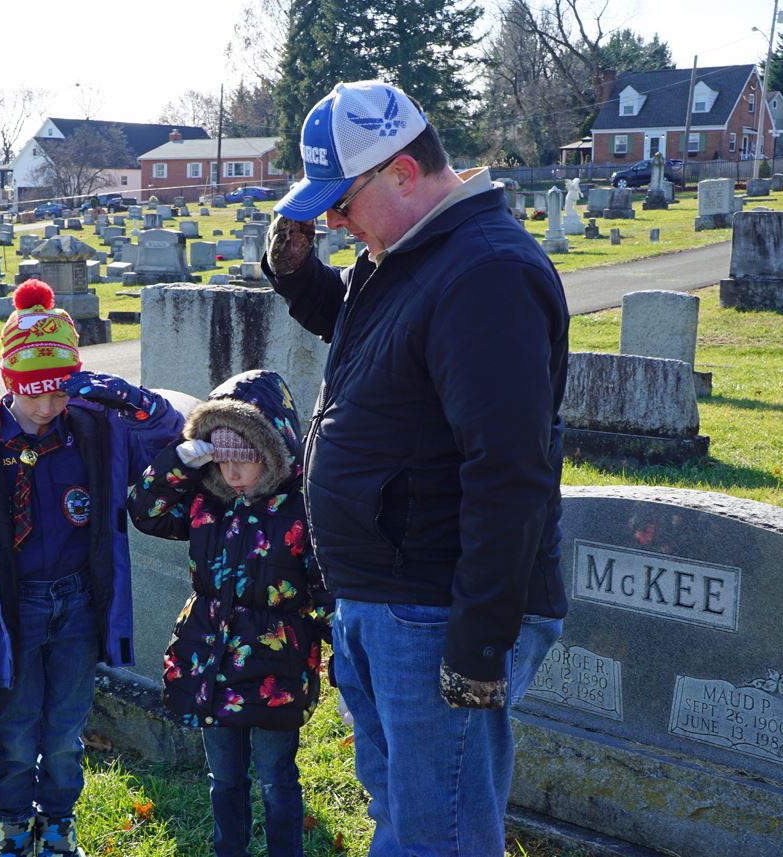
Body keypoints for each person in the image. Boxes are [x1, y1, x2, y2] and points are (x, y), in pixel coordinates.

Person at [262, 79, 570, 855]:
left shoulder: (484, 272)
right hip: (385, 596)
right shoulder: (412, 253)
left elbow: (510, 472)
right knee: (401, 817)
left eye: (340, 201)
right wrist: (300, 276)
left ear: (402, 170)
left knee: (441, 834)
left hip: (436, 609)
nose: (329, 220)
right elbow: (380, 344)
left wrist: (478, 645)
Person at [0, 279, 183, 857]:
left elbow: (167, 435)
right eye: (33, 393)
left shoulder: (95, 428)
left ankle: (58, 827)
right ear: (10, 383)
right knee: (16, 729)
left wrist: (125, 396)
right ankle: (11, 829)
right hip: (16, 609)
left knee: (65, 728)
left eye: (58, 392)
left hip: (81, 603)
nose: (45, 407)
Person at [128, 370, 331, 857]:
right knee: (224, 779)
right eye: (223, 461)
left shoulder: (300, 510)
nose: (233, 474)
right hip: (209, 662)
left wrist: (343, 650)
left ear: (273, 453)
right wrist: (177, 462)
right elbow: (145, 511)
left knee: (277, 779)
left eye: (246, 461)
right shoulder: (205, 503)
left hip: (274, 668)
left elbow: (325, 585)